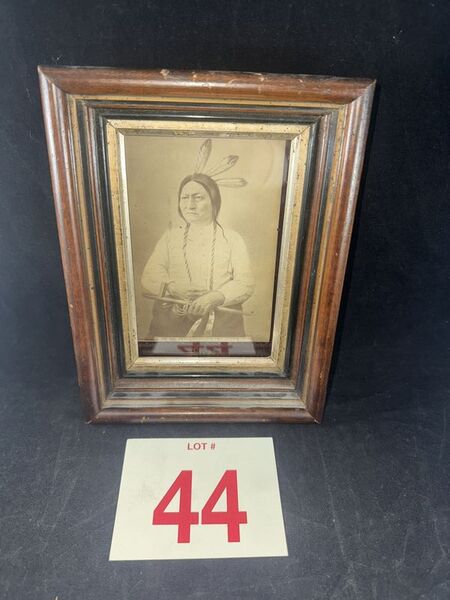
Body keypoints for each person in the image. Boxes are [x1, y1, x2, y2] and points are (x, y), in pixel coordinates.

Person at [141, 168, 254, 338]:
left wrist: (215, 297)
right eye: (184, 198)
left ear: (214, 201)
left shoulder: (232, 238)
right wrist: (173, 288)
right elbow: (150, 275)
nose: (190, 205)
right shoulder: (171, 237)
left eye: (198, 197)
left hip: (221, 323)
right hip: (174, 320)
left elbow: (246, 282)